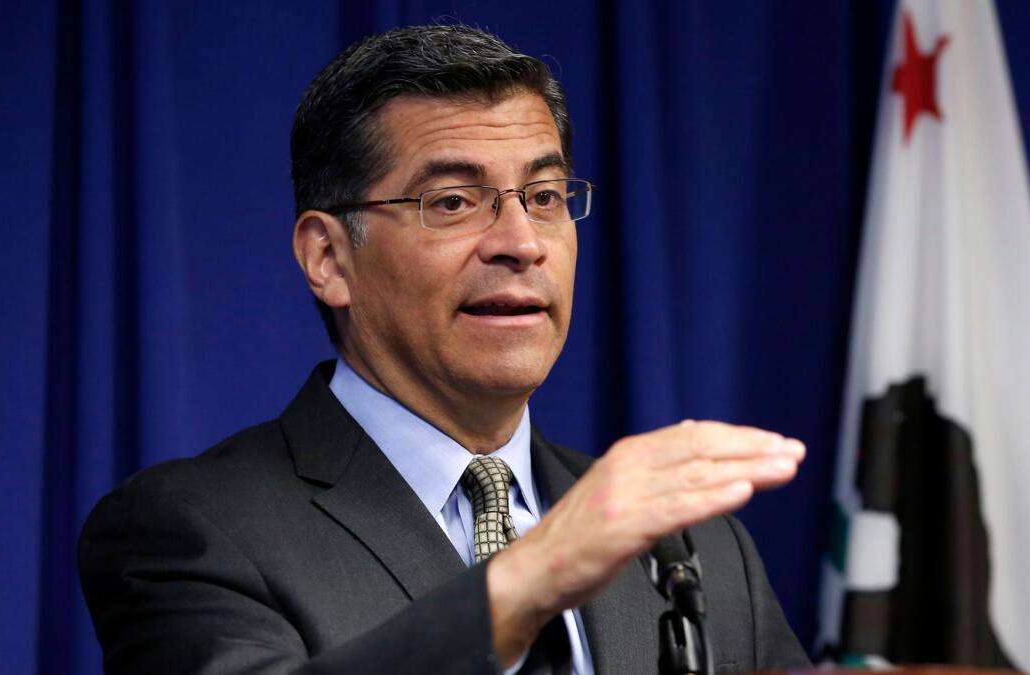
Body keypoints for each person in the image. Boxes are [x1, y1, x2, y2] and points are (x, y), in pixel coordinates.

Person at [78, 25, 810, 674]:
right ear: (328, 257)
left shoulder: (696, 546)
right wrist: (530, 578)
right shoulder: (192, 532)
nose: (521, 243)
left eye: (546, 196)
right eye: (453, 202)